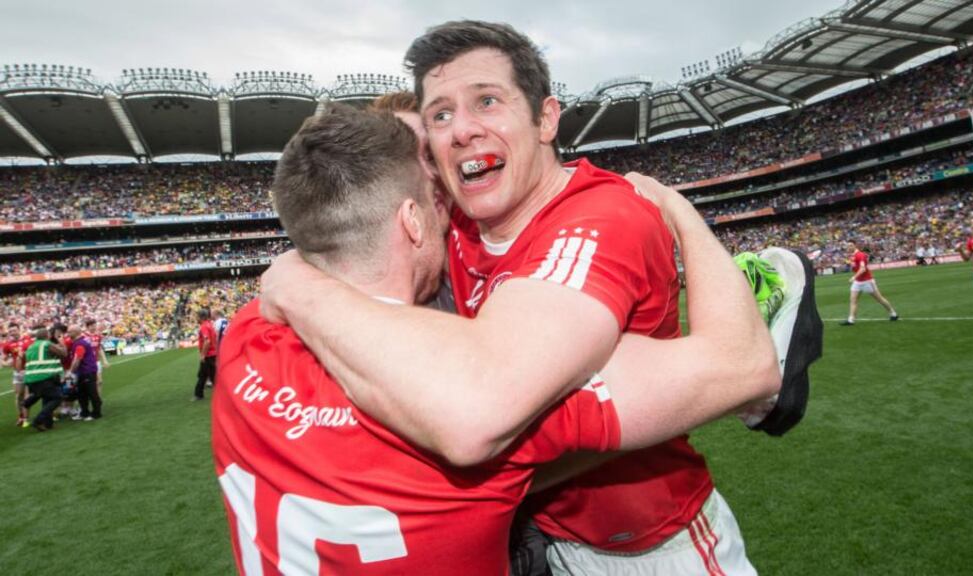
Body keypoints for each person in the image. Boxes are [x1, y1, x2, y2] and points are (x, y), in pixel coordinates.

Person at [259, 20, 820, 574]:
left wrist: (293, 284)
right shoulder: (454, 225)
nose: (461, 133)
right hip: (545, 537)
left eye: (487, 101)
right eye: (442, 116)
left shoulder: (598, 219)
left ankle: (754, 302)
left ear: (546, 117)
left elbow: (482, 413)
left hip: (647, 546)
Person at [20, 326, 68, 431]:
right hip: (43, 377)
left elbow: (23, 358)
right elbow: (64, 354)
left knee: (47, 398)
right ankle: (38, 420)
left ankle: (48, 423)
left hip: (31, 378)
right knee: (57, 398)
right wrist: (62, 343)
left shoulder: (31, 346)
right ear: (47, 336)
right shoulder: (46, 344)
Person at [841, 240, 899, 326]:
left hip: (867, 281)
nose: (848, 247)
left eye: (851, 245)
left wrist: (854, 277)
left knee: (879, 299)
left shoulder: (860, 255)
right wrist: (848, 262)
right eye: (848, 246)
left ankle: (893, 313)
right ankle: (851, 320)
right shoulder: (852, 256)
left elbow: (863, 269)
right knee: (853, 300)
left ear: (855, 246)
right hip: (858, 282)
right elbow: (855, 266)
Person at [68, 326, 102, 420]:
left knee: (91, 392)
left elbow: (78, 358)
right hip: (84, 371)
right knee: (81, 393)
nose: (68, 334)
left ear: (75, 332)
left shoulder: (80, 343)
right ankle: (84, 413)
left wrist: (70, 372)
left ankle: (96, 413)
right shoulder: (80, 342)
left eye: (69, 332)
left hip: (87, 371)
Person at [193, 309, 217, 401]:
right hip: (212, 354)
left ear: (201, 317)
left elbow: (207, 341)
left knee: (209, 376)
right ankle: (198, 394)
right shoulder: (209, 324)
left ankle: (198, 394)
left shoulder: (204, 326)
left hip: (208, 355)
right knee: (204, 375)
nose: (196, 318)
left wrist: (203, 354)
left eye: (197, 316)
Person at [84, 318, 110, 398]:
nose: (94, 327)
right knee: (88, 383)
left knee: (99, 381)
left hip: (96, 361)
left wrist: (104, 360)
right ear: (87, 327)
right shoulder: (84, 336)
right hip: (87, 363)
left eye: (95, 325)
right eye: (92, 326)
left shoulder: (98, 336)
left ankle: (97, 399)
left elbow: (99, 348)